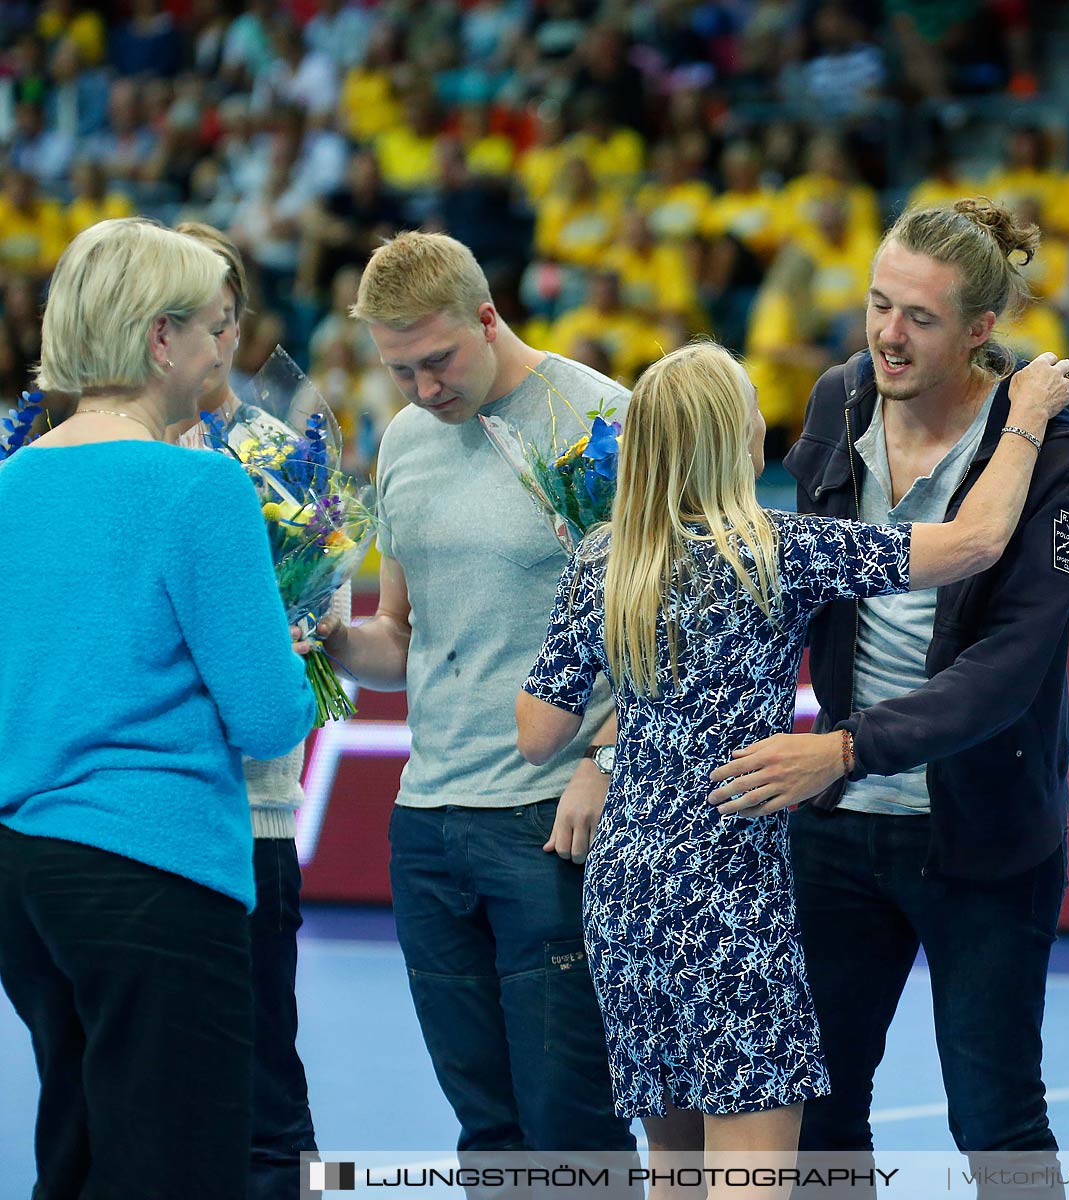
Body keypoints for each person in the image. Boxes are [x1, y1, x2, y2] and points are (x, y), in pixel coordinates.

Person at [516, 338, 1069, 1191]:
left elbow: (535, 732)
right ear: (735, 440)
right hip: (729, 895)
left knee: (675, 1169)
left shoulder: (600, 562)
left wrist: (620, 687)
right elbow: (975, 542)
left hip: (625, 893)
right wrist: (1028, 418)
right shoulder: (776, 551)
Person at [719, 198, 1069, 1192]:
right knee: (819, 1112)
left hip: (982, 836)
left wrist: (842, 748)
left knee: (997, 1120)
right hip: (838, 831)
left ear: (979, 331)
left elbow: (1010, 668)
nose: (888, 334)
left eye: (920, 318)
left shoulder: (1046, 439)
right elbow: (802, 588)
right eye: (880, 305)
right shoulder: (841, 398)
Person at [0, 217, 316, 1199]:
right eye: (211, 327)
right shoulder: (200, 488)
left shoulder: (10, 482)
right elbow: (270, 717)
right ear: (157, 339)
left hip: (26, 871)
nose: (224, 347)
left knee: (80, 1147)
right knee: (178, 1165)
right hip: (156, 867)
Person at [320, 231, 638, 1161]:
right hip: (427, 825)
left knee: (572, 1136)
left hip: (553, 821)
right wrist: (331, 637)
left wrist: (606, 757)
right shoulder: (407, 443)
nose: (423, 389)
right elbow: (404, 639)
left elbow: (673, 633)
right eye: (399, 369)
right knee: (488, 1137)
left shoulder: (602, 422)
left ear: (488, 318)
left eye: (438, 361)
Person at [177, 220, 352, 1200]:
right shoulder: (85, 449)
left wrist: (290, 640)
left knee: (264, 1080)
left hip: (251, 816)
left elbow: (327, 610)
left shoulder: (284, 456)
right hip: (132, 819)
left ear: (234, 325)